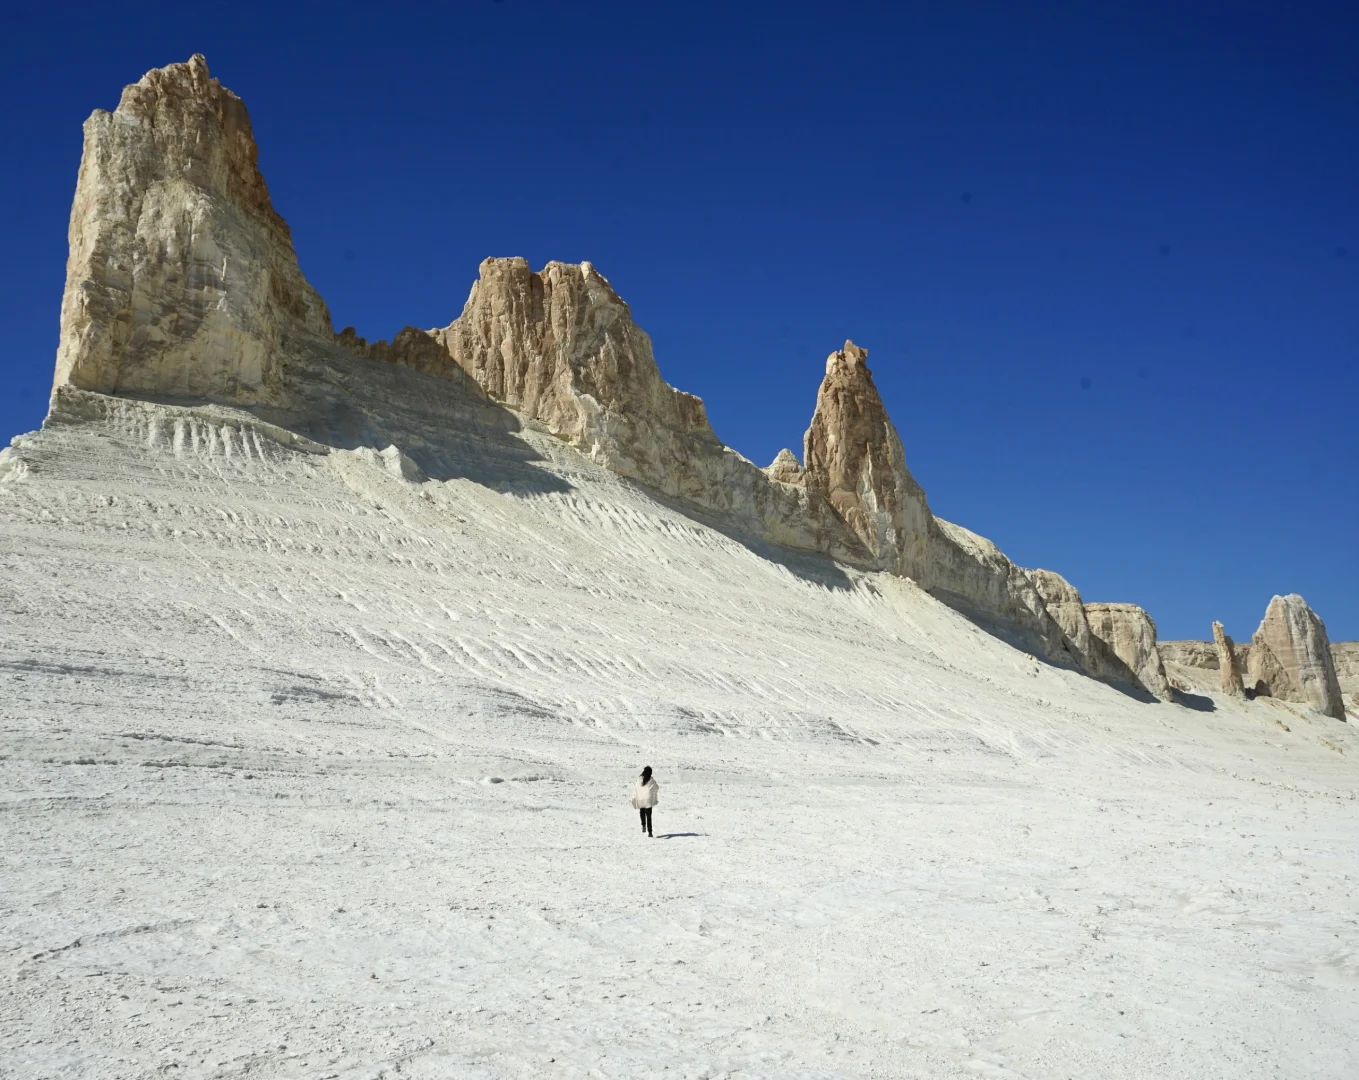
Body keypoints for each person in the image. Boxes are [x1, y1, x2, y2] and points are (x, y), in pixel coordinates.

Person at [631, 765, 659, 837]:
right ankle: (650, 832)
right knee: (649, 816)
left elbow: (636, 788)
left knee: (642, 812)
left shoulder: (639, 779)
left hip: (641, 799)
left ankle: (643, 825)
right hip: (648, 800)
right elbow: (656, 787)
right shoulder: (651, 780)